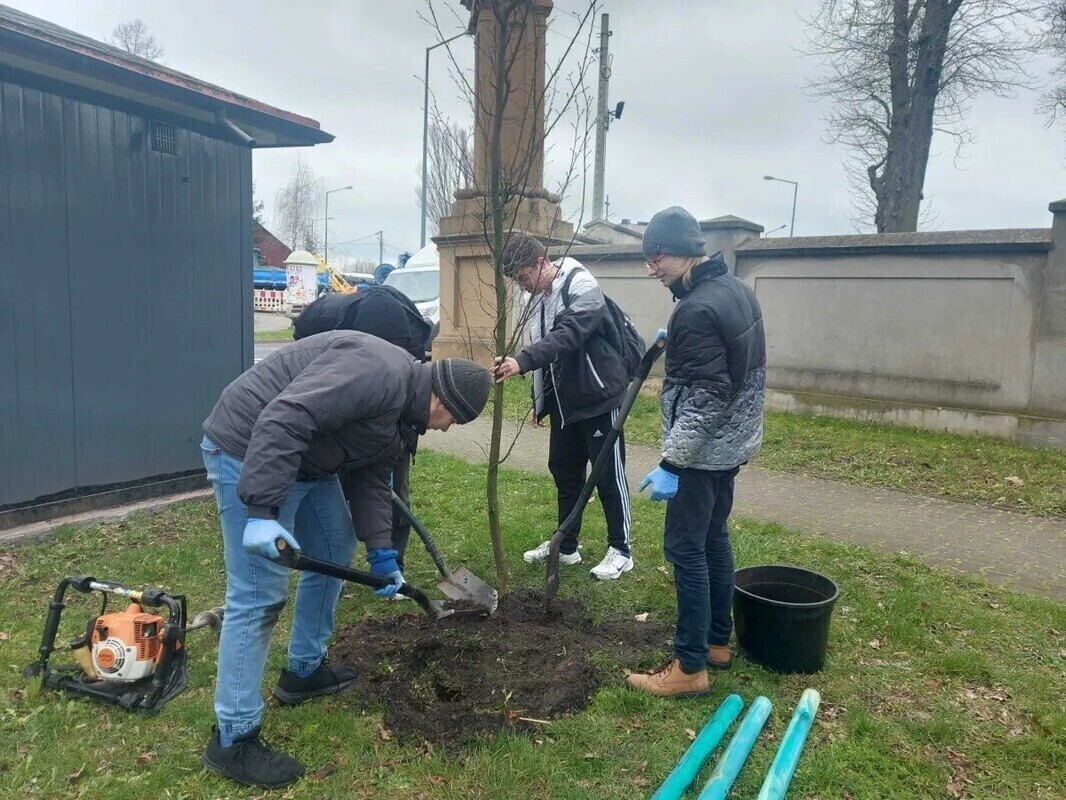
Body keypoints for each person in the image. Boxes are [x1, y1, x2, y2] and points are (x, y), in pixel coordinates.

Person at [199, 331, 490, 788]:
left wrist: (381, 552)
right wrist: (260, 511)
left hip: (307, 461)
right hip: (248, 446)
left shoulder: (402, 414)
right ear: (441, 399)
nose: (446, 429)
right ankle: (232, 739)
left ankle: (302, 672)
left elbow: (373, 474)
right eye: (453, 419)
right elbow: (286, 415)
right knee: (257, 596)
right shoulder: (378, 375)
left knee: (335, 545)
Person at [625, 206, 766, 699]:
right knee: (712, 538)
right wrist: (679, 340)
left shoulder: (697, 309)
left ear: (685, 249)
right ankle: (717, 642)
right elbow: (733, 369)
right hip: (732, 447)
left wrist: (671, 463)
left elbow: (706, 398)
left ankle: (689, 666)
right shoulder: (734, 291)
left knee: (685, 549)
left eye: (657, 256)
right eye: (648, 258)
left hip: (701, 454)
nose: (652, 267)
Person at [493, 233, 634, 581]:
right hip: (564, 403)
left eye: (524, 277)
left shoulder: (582, 283)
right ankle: (567, 547)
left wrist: (520, 363)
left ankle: (621, 549)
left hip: (598, 396)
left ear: (541, 263)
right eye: (517, 282)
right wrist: (540, 403)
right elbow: (543, 347)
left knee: (607, 474)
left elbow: (568, 335)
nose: (523, 287)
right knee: (565, 472)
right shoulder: (538, 297)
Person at [293, 285, 433, 582]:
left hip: (396, 411)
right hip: (336, 416)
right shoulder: (328, 327)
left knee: (395, 486)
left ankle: (392, 561)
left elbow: (418, 395)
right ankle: (331, 562)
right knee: (343, 484)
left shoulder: (412, 335)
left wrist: (398, 441)